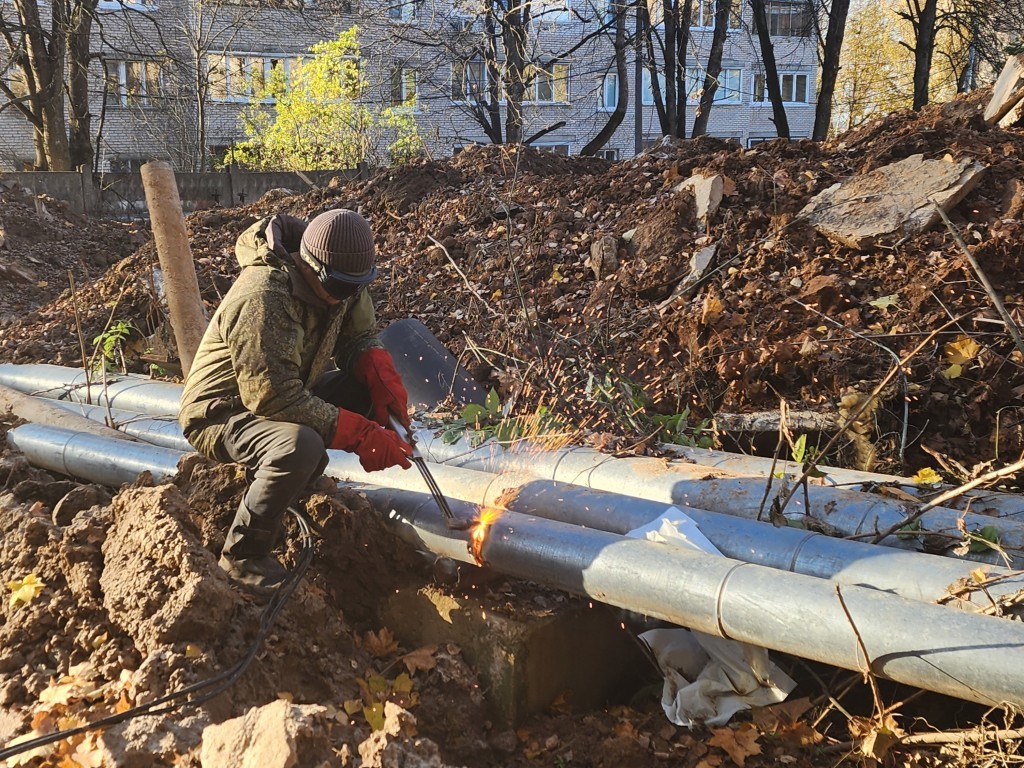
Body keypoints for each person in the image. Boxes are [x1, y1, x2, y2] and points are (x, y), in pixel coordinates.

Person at [178, 208, 414, 592]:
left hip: (288, 389)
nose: (345, 299)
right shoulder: (263, 296)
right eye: (340, 290)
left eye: (356, 288)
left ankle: (290, 486)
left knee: (363, 394)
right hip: (223, 412)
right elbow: (274, 399)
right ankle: (242, 556)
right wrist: (360, 434)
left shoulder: (343, 277)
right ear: (310, 266)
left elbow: (357, 335)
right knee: (299, 446)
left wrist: (377, 372)